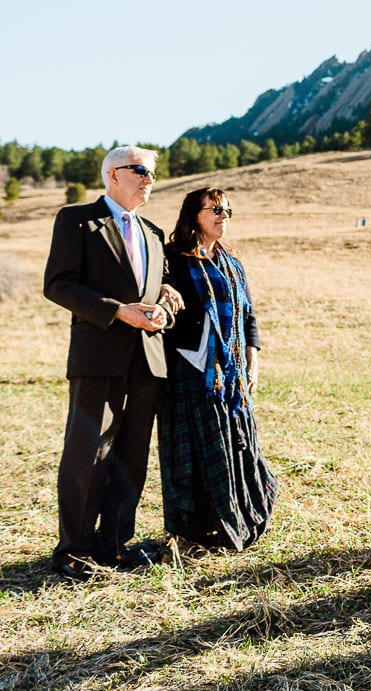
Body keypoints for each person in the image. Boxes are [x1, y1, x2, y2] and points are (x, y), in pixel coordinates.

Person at [43, 146, 181, 581]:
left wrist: (163, 309)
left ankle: (114, 545)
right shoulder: (77, 220)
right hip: (98, 355)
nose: (149, 179)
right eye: (140, 171)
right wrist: (118, 310)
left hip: (148, 359)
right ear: (112, 175)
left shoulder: (155, 232)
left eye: (153, 173)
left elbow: (164, 289)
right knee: (89, 453)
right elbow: (59, 284)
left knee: (131, 455)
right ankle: (74, 550)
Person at [159, 188, 276, 552]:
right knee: (193, 452)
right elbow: (152, 296)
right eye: (216, 209)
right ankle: (193, 531)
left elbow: (249, 318)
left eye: (228, 210)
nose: (223, 216)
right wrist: (163, 289)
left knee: (239, 446)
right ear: (194, 215)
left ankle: (239, 517)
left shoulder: (231, 263)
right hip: (189, 374)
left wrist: (252, 364)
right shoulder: (171, 260)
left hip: (233, 377)